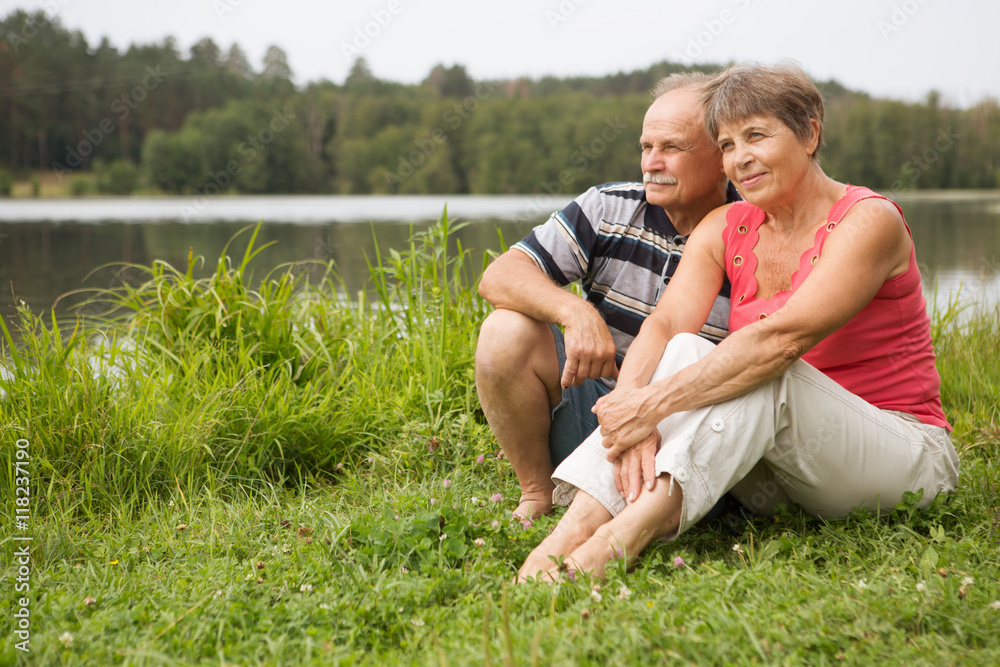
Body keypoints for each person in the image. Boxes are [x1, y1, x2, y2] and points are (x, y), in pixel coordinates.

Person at [516, 62, 960, 583]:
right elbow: (662, 327)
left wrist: (651, 406)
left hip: (898, 458)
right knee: (685, 345)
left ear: (810, 132)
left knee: (764, 364)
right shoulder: (726, 225)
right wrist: (633, 413)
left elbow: (781, 340)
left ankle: (619, 540)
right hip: (781, 469)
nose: (739, 158)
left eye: (756, 135)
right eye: (726, 144)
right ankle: (568, 535)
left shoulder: (868, 221)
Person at [476, 72, 741, 522]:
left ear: (722, 156)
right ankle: (539, 494)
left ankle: (671, 507)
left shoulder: (756, 232)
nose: (651, 163)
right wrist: (575, 311)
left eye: (671, 148)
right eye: (645, 147)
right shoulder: (609, 207)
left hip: (690, 429)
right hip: (600, 411)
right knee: (504, 330)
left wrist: (654, 408)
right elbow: (500, 276)